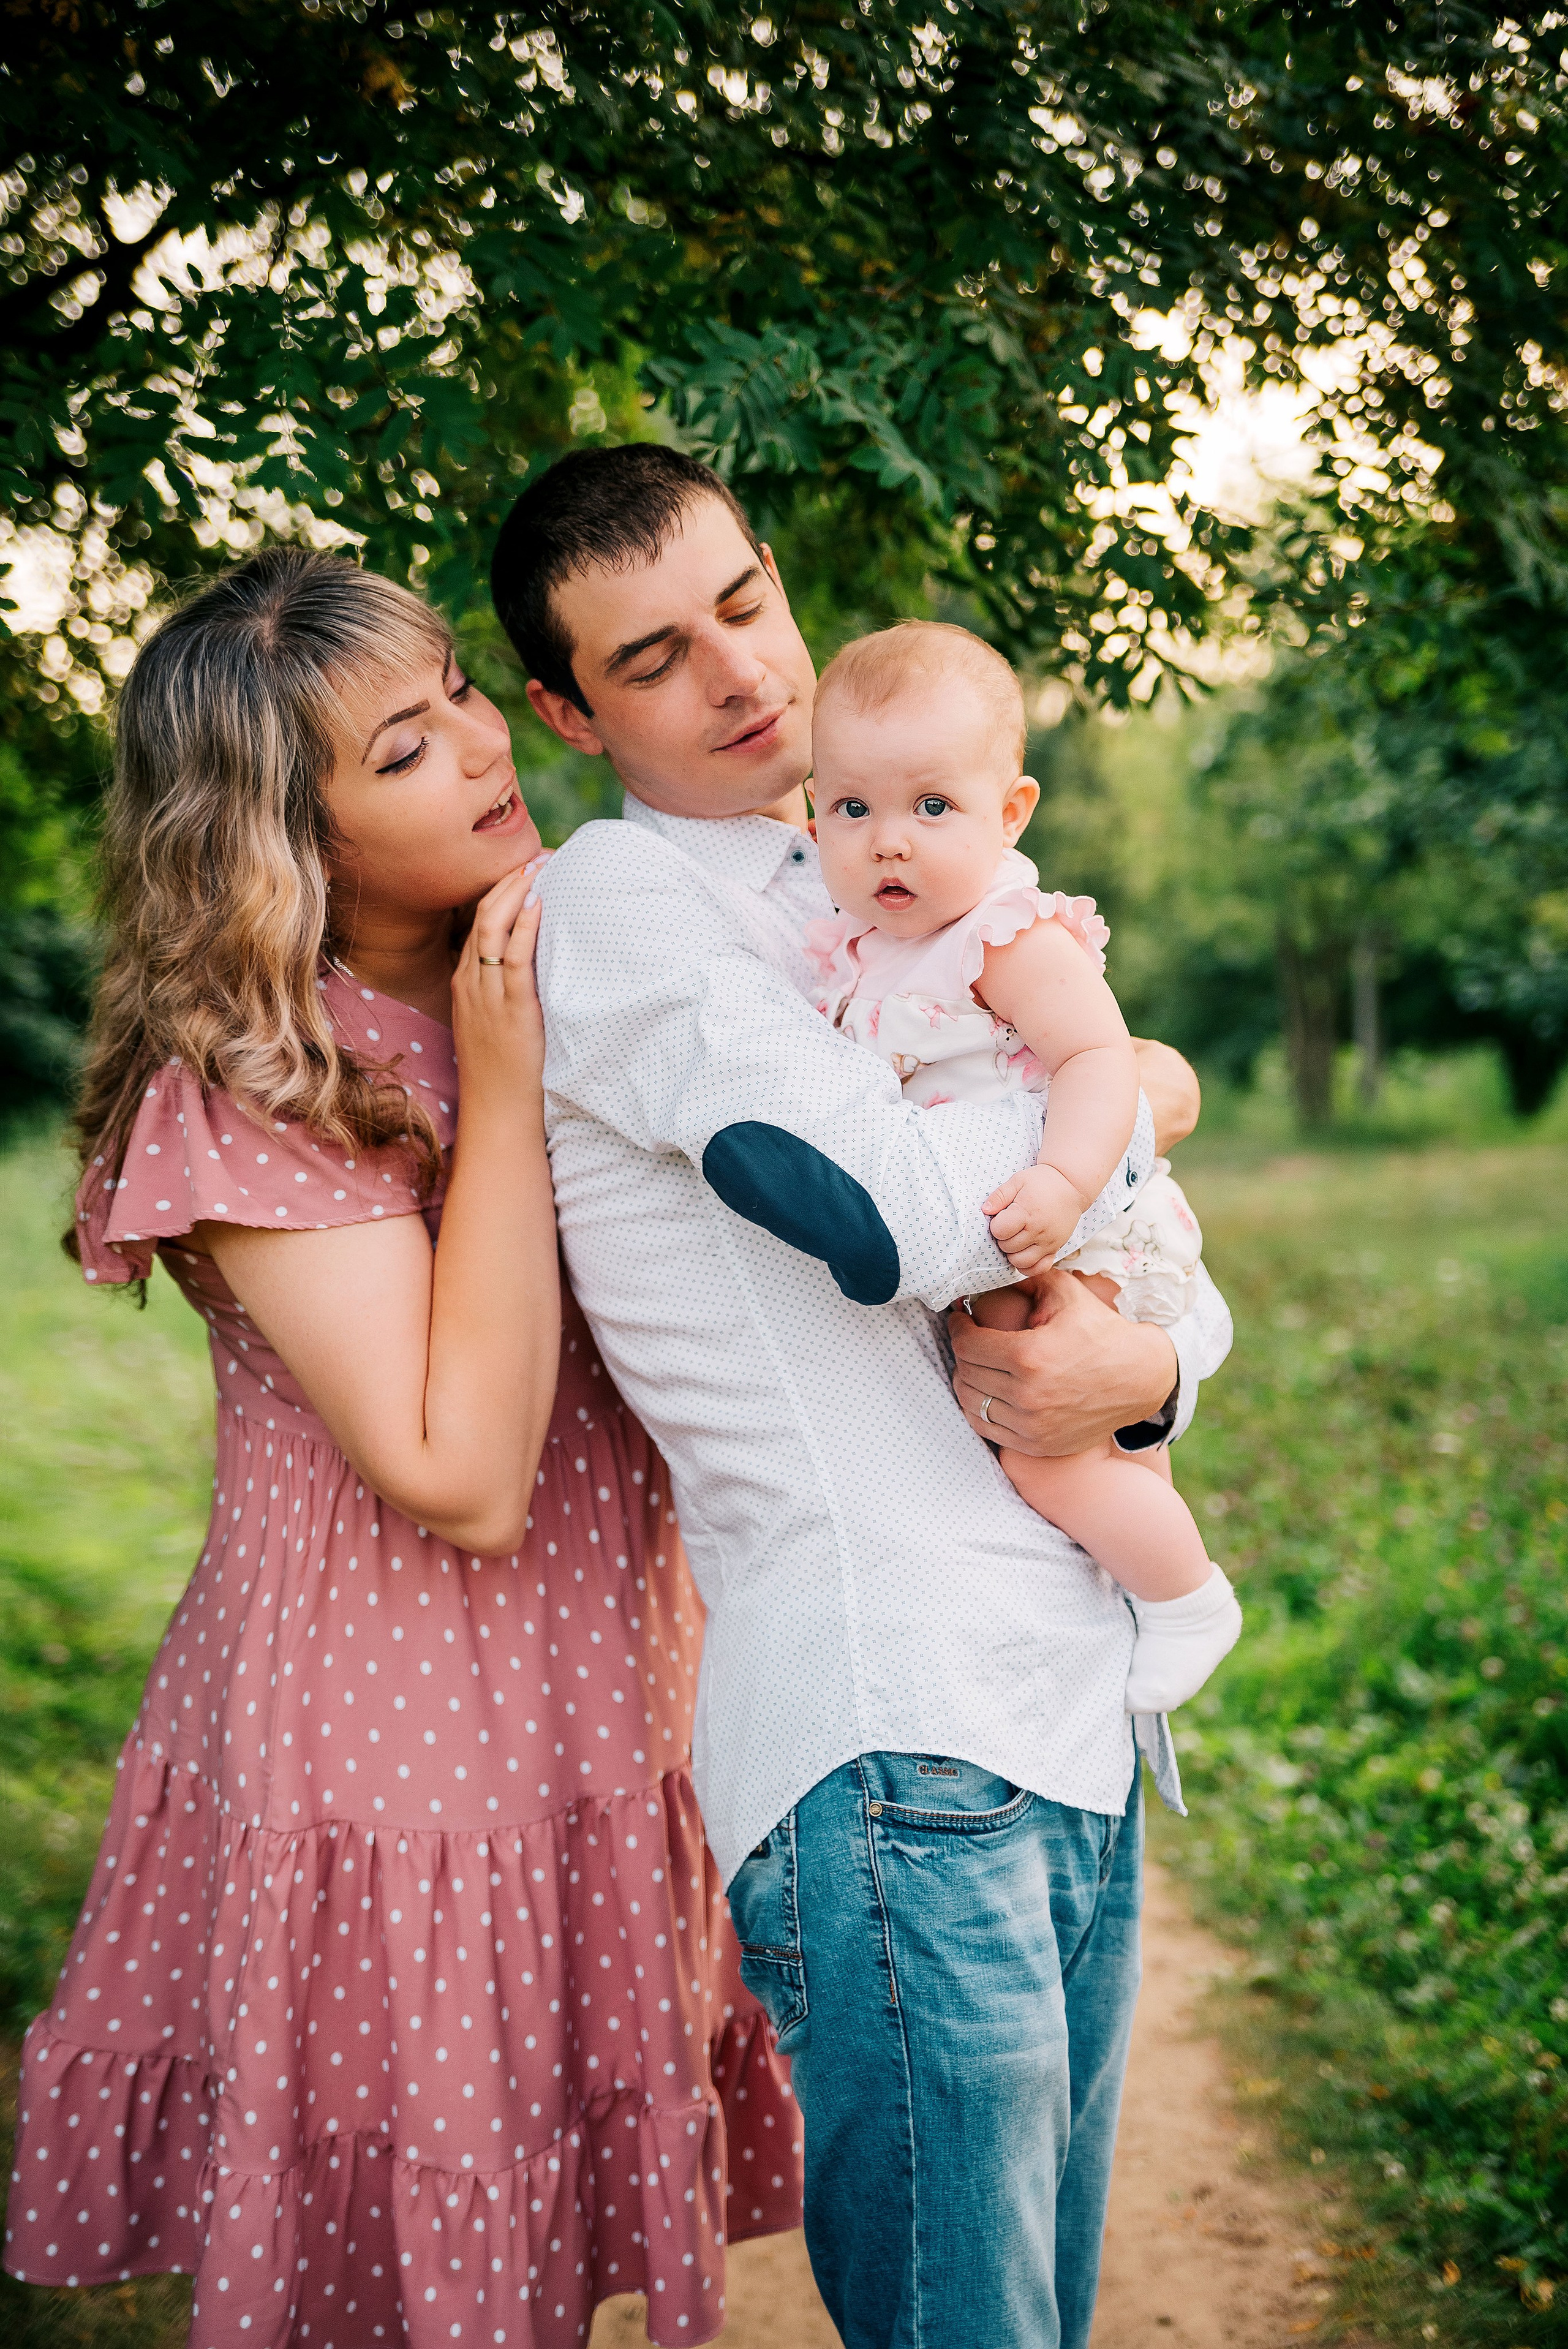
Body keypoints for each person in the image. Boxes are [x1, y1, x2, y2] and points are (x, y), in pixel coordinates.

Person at [2, 548, 801, 2348]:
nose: (474, 745)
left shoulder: (551, 965)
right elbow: (460, 1464)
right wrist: (506, 1091)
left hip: (602, 1688)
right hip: (402, 1743)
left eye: (453, 692)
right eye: (397, 748)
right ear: (287, 842)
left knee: (544, 2227)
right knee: (422, 2242)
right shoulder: (253, 1075)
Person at [492, 444, 1234, 2348]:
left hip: (1065, 1712)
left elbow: (1171, 1299)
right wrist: (1126, 1084)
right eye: (653, 658)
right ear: (571, 715)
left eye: (745, 601)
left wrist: (1142, 1366)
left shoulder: (918, 859)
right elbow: (907, 1225)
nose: (741, 673)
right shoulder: (628, 911)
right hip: (893, 1740)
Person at [805, 619, 1243, 1715]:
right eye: (853, 809)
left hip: (1075, 1221)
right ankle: (1149, 1599)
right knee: (1091, 1445)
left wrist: (1063, 1181)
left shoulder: (1005, 933)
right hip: (1022, 1230)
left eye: (932, 806)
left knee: (1044, 1456)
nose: (888, 842)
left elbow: (1101, 1057)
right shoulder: (867, 949)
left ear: (1012, 813)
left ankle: (1189, 1599)